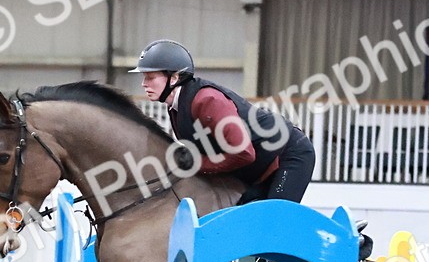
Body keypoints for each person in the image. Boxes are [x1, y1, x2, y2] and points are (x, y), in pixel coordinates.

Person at [131, 39, 317, 205]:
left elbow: (244, 153)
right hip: (260, 165)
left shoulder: (207, 100)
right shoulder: (175, 108)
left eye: (150, 77)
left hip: (290, 154)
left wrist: (196, 164)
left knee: (274, 221)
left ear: (174, 77)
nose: (143, 84)